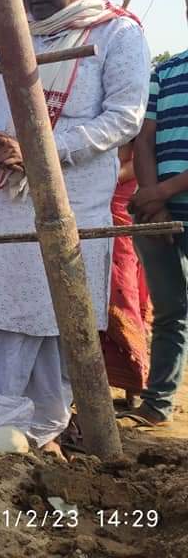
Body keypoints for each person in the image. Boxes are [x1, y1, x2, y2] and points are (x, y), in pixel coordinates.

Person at [0, 0, 149, 455]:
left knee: (50, 318)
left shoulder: (117, 34)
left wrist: (41, 150)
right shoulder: (11, 35)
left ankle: (43, 429)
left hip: (69, 204)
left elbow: (124, 119)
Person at [127, 47, 188, 426]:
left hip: (159, 199)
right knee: (170, 312)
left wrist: (159, 193)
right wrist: (156, 205)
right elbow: (144, 141)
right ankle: (158, 404)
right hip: (159, 212)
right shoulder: (166, 70)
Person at [101, 143, 152, 404]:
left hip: (118, 203)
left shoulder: (137, 107)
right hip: (99, 201)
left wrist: (104, 176)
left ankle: (135, 382)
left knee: (123, 293)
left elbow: (138, 157)